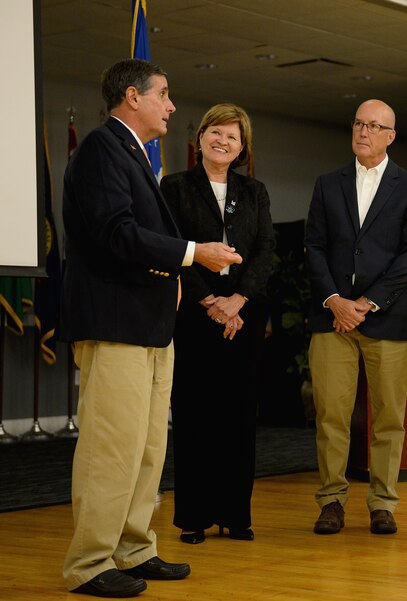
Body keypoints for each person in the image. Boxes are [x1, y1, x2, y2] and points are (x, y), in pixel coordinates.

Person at [59, 59, 242, 597]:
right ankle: (89, 564)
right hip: (115, 323)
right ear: (132, 97)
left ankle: (133, 549)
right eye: (163, 94)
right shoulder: (100, 149)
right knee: (110, 448)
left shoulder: (133, 154)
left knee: (144, 449)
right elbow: (116, 233)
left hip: (149, 326)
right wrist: (192, 254)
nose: (171, 105)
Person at [304, 99, 407, 535]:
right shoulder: (327, 184)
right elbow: (314, 247)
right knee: (331, 416)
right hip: (331, 320)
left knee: (389, 417)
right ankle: (332, 501)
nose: (363, 131)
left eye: (374, 126)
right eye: (358, 123)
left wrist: (367, 303)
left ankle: (383, 502)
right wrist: (336, 300)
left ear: (390, 136)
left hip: (387, 320)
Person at [160, 103, 275, 544]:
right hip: (193, 312)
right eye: (215, 132)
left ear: (242, 147)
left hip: (243, 315)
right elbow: (170, 247)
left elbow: (265, 250)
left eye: (232, 136)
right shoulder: (174, 188)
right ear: (200, 137)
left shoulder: (255, 191)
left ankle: (235, 515)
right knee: (193, 415)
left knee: (239, 416)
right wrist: (209, 299)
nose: (222, 141)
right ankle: (193, 517)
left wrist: (238, 301)